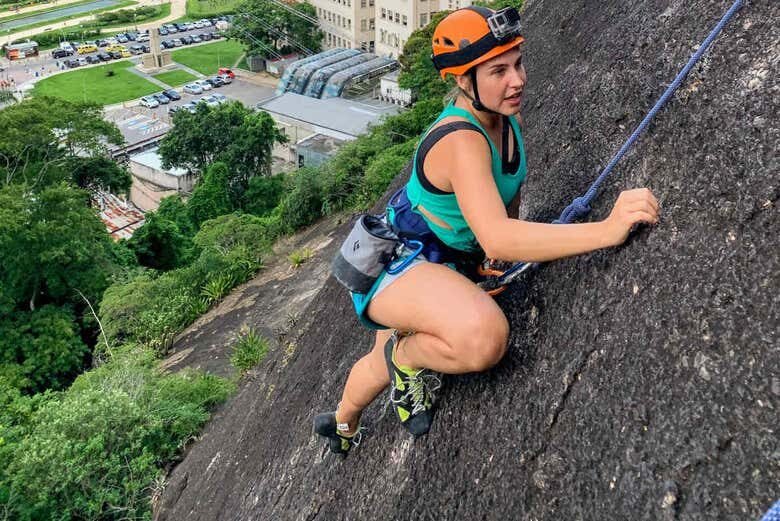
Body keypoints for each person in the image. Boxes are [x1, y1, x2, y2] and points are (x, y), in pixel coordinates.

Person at [314, 5, 660, 454]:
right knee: (480, 339)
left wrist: (487, 260)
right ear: (463, 81)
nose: (517, 80)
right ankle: (407, 361)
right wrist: (607, 230)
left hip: (447, 255)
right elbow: (497, 233)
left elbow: (504, 195)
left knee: (377, 364)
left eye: (517, 63)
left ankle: (340, 423)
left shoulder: (504, 118)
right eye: (498, 70)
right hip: (403, 263)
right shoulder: (461, 139)